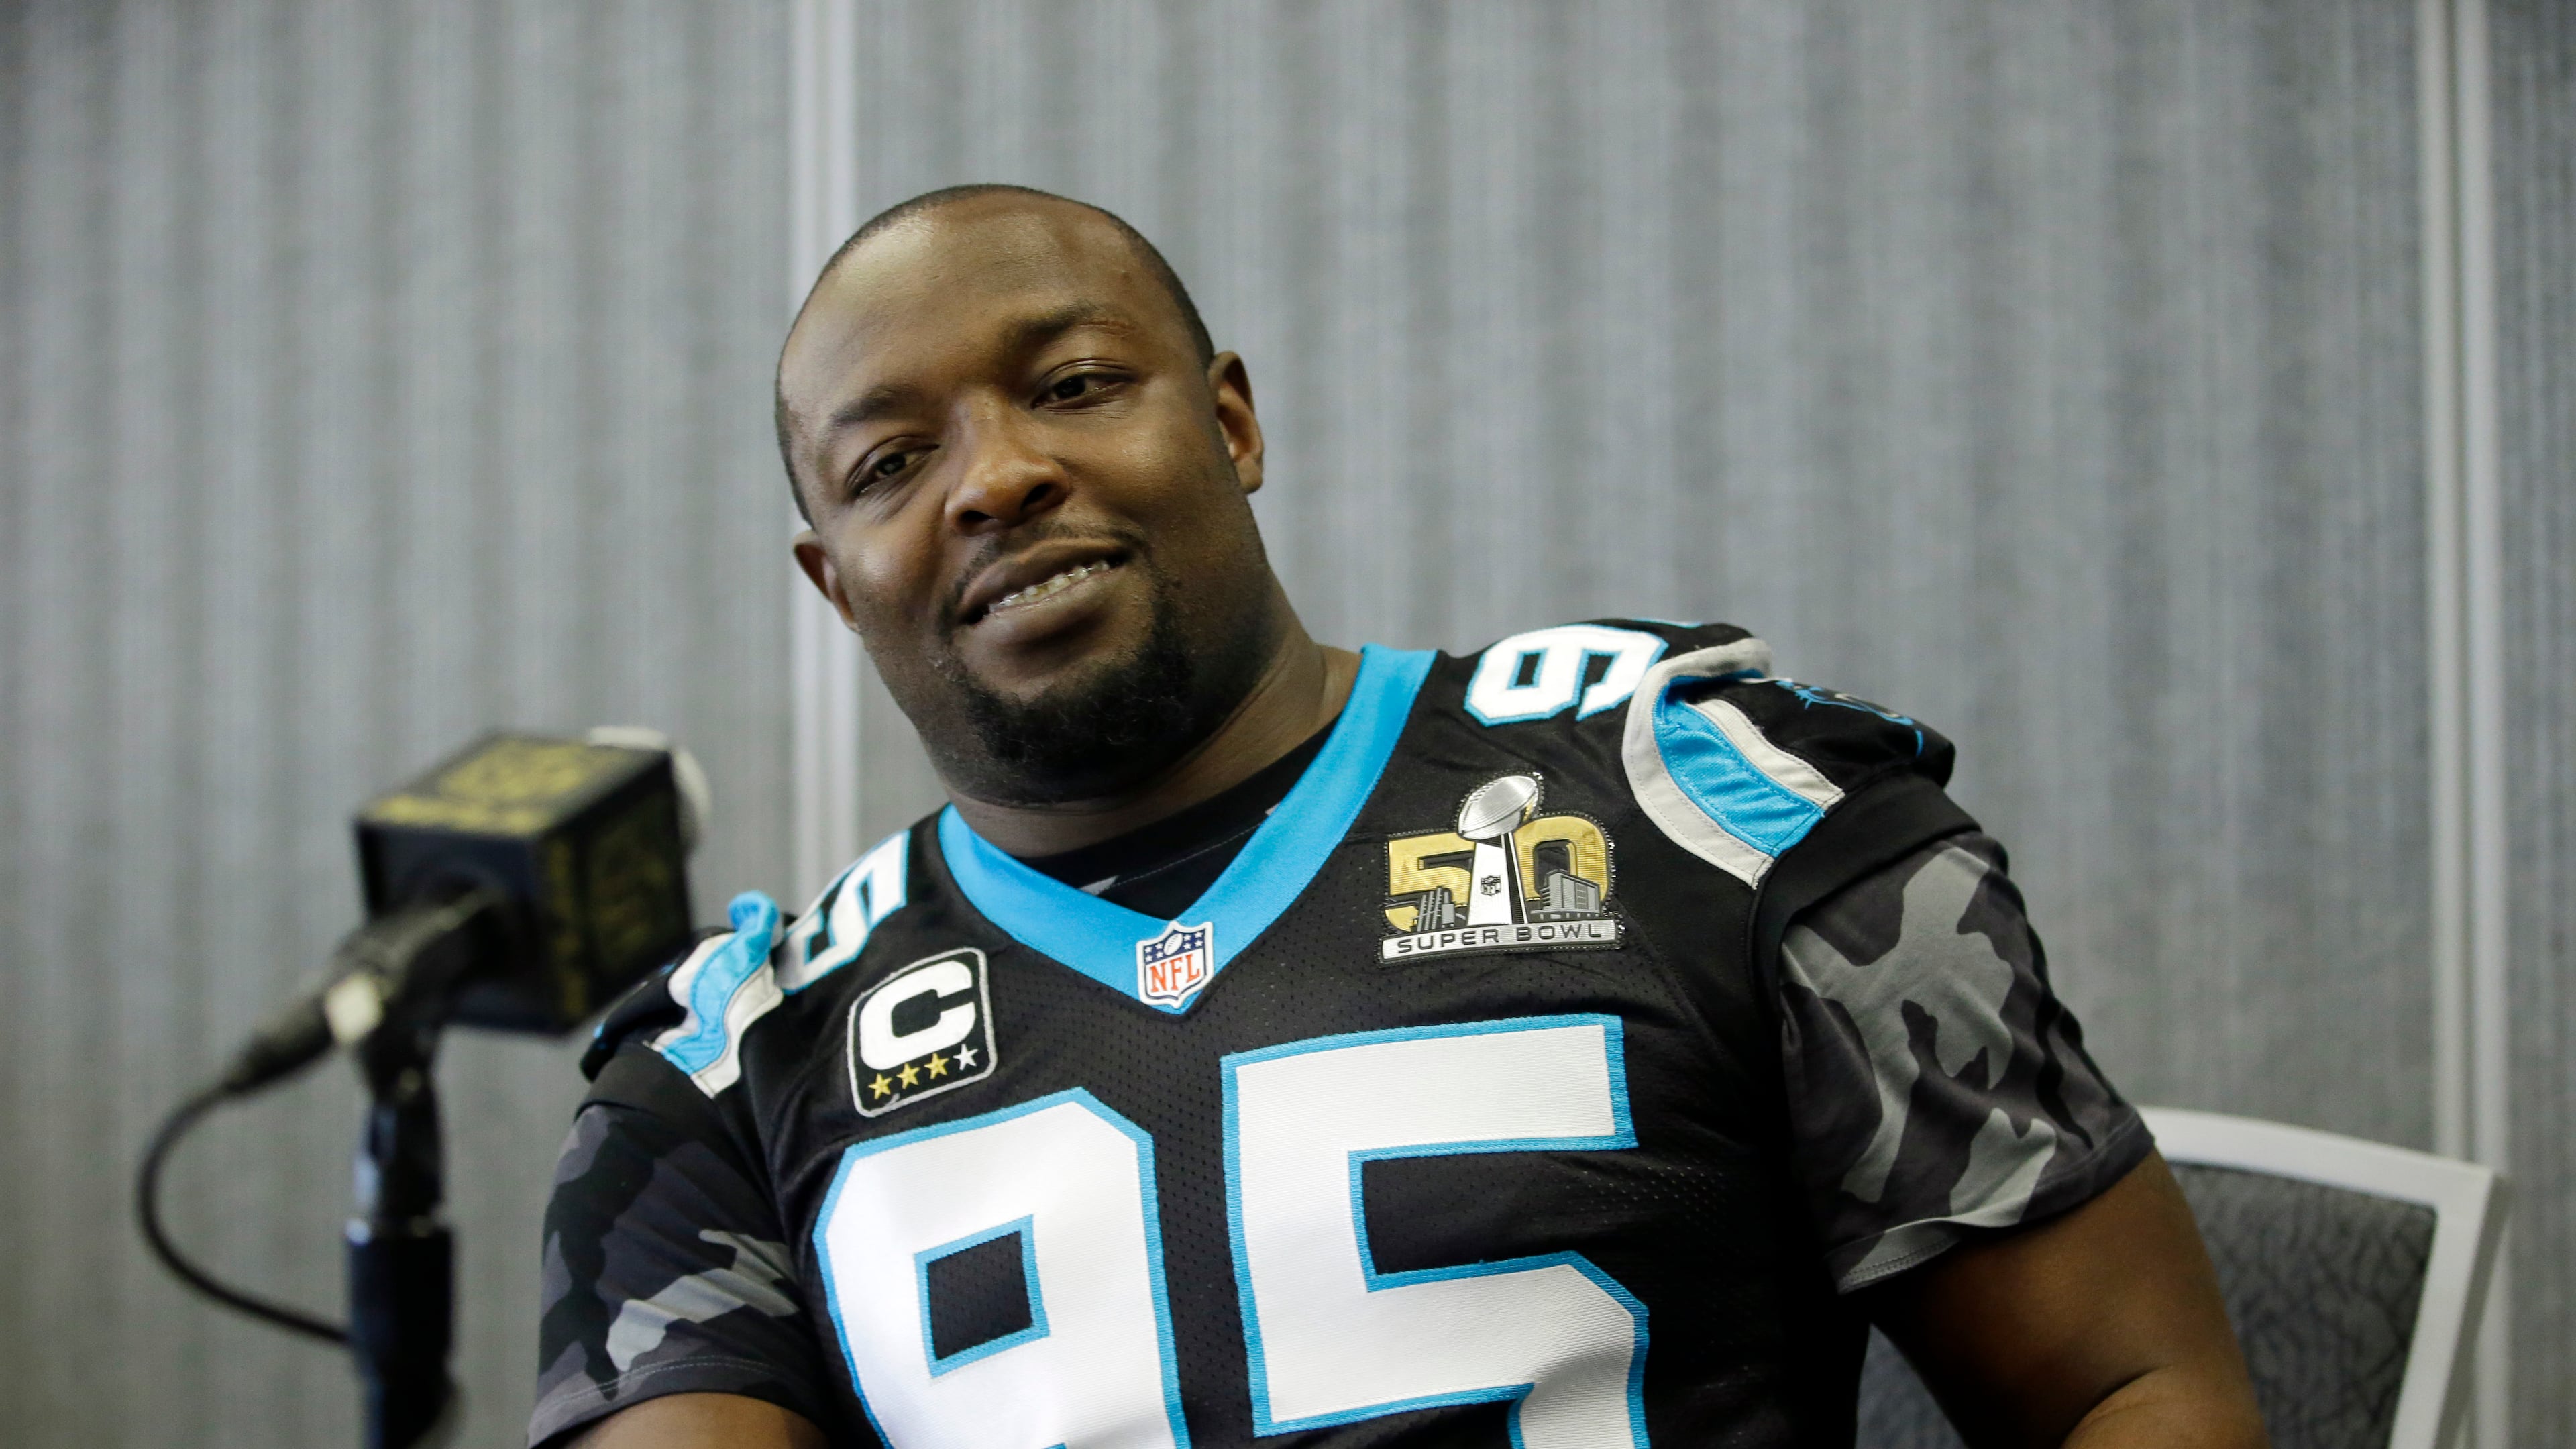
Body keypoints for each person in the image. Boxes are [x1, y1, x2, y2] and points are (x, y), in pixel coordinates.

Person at [530, 184, 2266, 1449]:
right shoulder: (724, 1077)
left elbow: (2130, 1391)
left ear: (1229, 422)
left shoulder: (1713, 810)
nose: (994, 478)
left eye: (1070, 386)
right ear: (838, 587)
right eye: (892, 464)